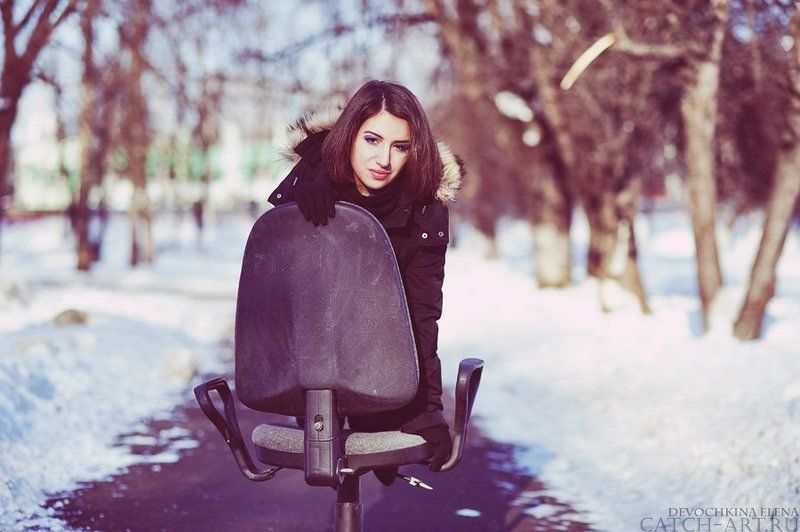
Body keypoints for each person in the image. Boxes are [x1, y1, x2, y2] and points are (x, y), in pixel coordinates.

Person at [268, 80, 464, 482]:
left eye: (400, 146)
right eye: (372, 140)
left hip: (387, 374)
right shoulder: (309, 180)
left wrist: (428, 411)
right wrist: (302, 201)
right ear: (349, 136)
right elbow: (278, 301)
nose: (384, 160)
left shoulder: (424, 207)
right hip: (310, 380)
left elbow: (422, 315)